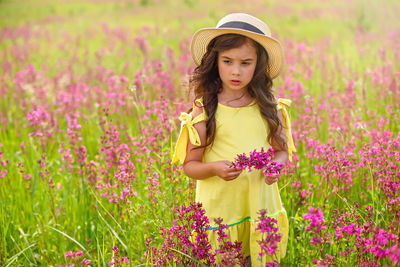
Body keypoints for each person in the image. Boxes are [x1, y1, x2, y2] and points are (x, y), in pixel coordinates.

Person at [172, 13, 296, 265]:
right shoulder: (205, 109)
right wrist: (215, 168)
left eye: (246, 63)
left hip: (259, 206)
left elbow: (281, 151)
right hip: (222, 211)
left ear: (259, 65)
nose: (236, 71)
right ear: (214, 61)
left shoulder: (269, 106)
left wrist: (277, 165)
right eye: (227, 61)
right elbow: (190, 166)